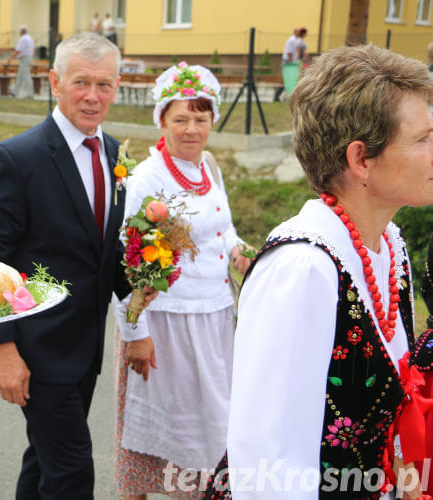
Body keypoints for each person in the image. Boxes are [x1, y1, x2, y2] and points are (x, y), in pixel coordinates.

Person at [204, 44, 433, 499]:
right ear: (361, 159)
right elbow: (266, 458)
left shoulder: (390, 246)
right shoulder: (303, 268)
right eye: (424, 138)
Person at [0, 32, 156, 499]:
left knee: (45, 462)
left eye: (105, 85)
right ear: (54, 82)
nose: (93, 97)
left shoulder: (116, 156)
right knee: (72, 473)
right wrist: (4, 352)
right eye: (81, 83)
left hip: (84, 349)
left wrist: (137, 288)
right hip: (37, 349)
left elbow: (101, 251)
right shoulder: (17, 158)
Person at [113, 63, 253, 499]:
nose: (192, 128)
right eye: (180, 118)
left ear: (212, 120)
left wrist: (240, 252)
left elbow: (222, 228)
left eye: (201, 117)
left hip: (213, 319)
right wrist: (135, 333)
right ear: (162, 121)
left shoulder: (209, 167)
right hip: (166, 327)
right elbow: (128, 262)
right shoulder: (146, 179)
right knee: (160, 434)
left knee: (214, 427)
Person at [9, 26, 34, 99]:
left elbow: (18, 50)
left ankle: (30, 94)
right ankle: (15, 92)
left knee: (26, 76)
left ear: (21, 32)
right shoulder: (30, 38)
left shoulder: (23, 39)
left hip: (24, 58)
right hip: (28, 58)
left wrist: (10, 58)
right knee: (20, 76)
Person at [281, 27, 307, 97]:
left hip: (294, 62)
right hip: (290, 62)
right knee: (291, 79)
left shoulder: (296, 40)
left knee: (294, 79)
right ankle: (286, 94)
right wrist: (292, 62)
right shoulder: (292, 40)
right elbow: (289, 52)